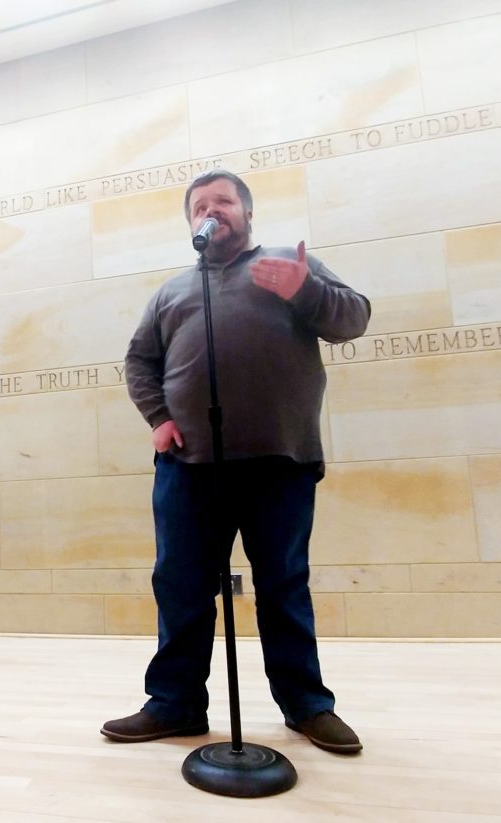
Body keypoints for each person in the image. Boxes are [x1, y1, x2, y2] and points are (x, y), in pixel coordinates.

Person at [101, 169, 370, 755]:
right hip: (189, 463)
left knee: (282, 585)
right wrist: (159, 419)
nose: (212, 209)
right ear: (191, 223)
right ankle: (174, 704)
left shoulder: (289, 264)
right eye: (201, 204)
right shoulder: (171, 292)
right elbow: (139, 361)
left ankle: (306, 705)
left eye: (224, 201)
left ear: (247, 213)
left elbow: (353, 319)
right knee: (180, 585)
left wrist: (304, 290)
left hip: (280, 457)